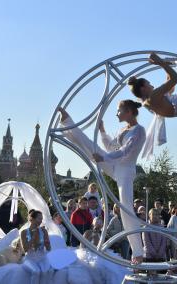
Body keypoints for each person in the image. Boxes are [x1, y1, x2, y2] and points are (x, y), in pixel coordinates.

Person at [58, 99, 146, 265]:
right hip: (114, 165)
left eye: (119, 111)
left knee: (126, 208)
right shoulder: (124, 129)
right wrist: (102, 131)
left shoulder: (139, 131)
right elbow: (111, 146)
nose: (116, 114)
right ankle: (67, 122)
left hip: (125, 172)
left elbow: (125, 151)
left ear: (128, 112)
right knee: (90, 146)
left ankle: (138, 252)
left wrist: (104, 157)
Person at [20, 210, 51, 284]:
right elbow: (25, 249)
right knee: (36, 271)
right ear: (32, 219)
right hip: (30, 259)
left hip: (42, 258)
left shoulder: (44, 231)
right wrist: (33, 236)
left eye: (42, 219)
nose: (41, 221)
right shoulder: (24, 232)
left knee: (45, 271)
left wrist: (47, 243)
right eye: (39, 218)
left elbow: (49, 249)